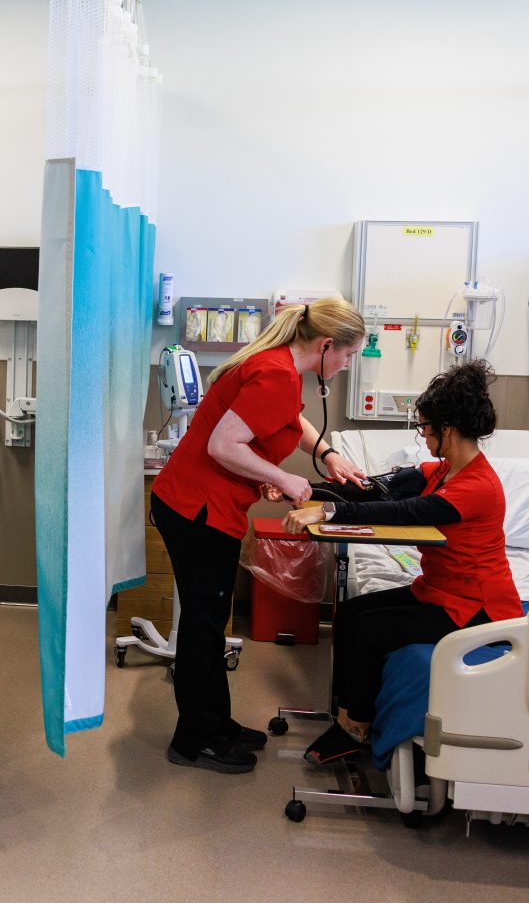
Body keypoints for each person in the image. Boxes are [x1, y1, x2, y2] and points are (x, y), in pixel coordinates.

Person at [150, 296, 367, 774]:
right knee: (204, 628)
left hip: (198, 505)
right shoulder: (275, 372)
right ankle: (193, 740)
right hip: (197, 510)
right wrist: (286, 479)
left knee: (211, 621)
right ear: (327, 345)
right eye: (348, 356)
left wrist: (327, 455)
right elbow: (223, 445)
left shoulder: (278, 367)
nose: (348, 365)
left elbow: (289, 420)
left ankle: (217, 724)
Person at [283, 360, 523, 765]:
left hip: (477, 609)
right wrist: (304, 491)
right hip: (440, 592)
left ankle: (355, 730)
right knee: (350, 613)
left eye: (426, 428)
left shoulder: (477, 486)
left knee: (368, 630)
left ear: (447, 430)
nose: (422, 435)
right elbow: (372, 491)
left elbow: (405, 513)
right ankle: (344, 716)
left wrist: (327, 515)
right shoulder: (440, 471)